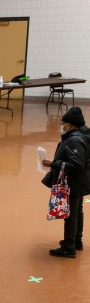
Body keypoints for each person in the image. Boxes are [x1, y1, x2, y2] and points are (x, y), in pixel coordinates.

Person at [42, 107, 90, 258]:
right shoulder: (85, 135)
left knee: (71, 215)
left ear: (70, 125)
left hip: (74, 182)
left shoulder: (73, 140)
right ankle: (76, 241)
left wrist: (54, 164)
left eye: (64, 124)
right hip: (82, 180)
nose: (62, 126)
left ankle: (69, 248)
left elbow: (76, 164)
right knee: (78, 211)